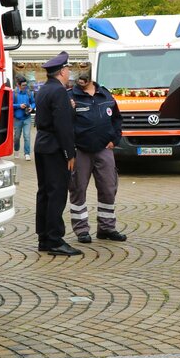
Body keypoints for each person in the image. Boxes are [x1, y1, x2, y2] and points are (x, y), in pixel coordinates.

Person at [69, 71, 126, 243]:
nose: (81, 80)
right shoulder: (70, 96)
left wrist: (115, 139)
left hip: (104, 149)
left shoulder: (106, 94)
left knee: (109, 188)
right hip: (80, 151)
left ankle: (106, 228)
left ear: (91, 77)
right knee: (78, 190)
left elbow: (117, 119)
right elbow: (64, 122)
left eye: (84, 77)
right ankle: (81, 230)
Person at [33, 51, 80, 256]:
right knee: (57, 193)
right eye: (68, 69)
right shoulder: (60, 92)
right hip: (55, 147)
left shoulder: (44, 89)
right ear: (62, 71)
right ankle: (55, 239)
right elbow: (63, 126)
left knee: (44, 192)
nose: (69, 72)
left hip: (42, 144)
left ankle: (43, 237)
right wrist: (70, 153)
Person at [12, 76, 34, 160]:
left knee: (27, 136)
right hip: (17, 119)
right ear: (18, 85)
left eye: (26, 85)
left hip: (27, 117)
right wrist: (19, 106)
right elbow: (10, 104)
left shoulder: (29, 93)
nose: (25, 87)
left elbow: (33, 102)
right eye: (23, 85)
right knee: (17, 137)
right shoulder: (14, 93)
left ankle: (27, 154)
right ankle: (16, 150)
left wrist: (32, 107)